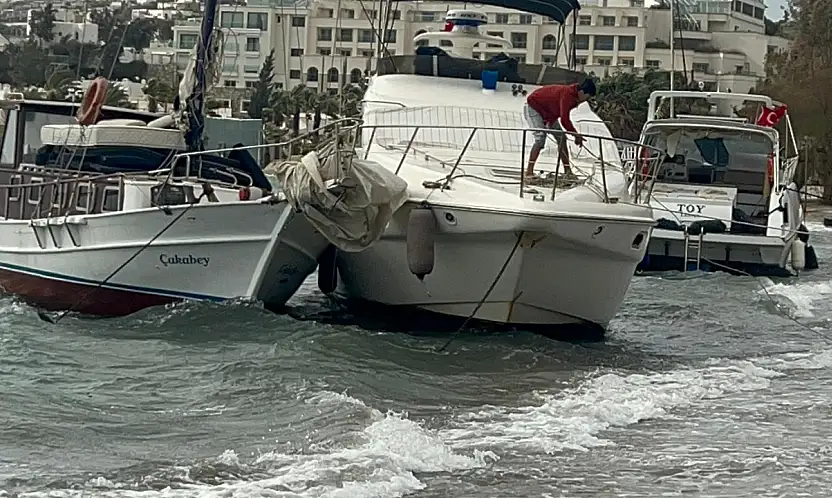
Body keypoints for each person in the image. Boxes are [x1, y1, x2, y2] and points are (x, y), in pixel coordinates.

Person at [522, 78, 596, 181]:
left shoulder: (574, 96)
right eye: (586, 97)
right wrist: (576, 135)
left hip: (549, 114)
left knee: (562, 138)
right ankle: (529, 172)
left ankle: (568, 171)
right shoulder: (568, 95)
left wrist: (575, 134)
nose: (585, 101)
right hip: (534, 107)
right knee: (540, 138)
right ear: (582, 92)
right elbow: (565, 120)